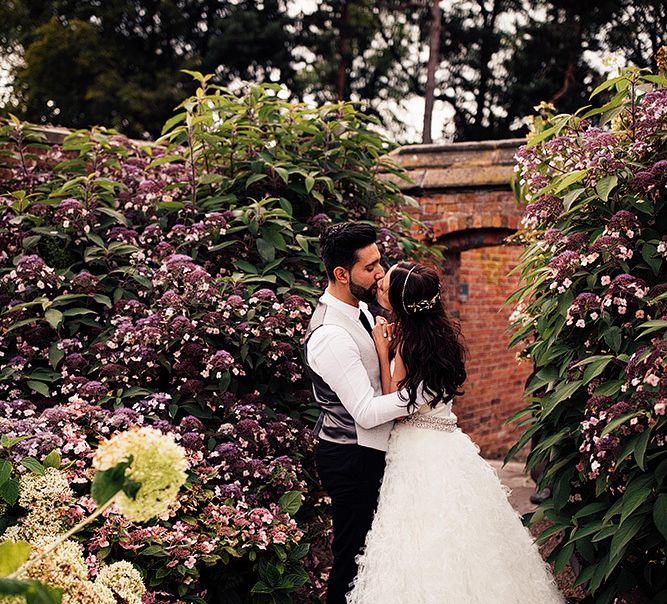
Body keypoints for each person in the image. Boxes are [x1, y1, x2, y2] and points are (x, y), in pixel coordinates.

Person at [347, 261, 565, 604]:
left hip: (417, 448)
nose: (378, 287)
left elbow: (394, 401)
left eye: (385, 287)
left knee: (419, 534)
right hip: (450, 443)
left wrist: (381, 349)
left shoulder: (404, 346)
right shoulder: (442, 337)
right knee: (466, 530)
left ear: (403, 304)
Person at [304, 223, 427, 604]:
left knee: (377, 557)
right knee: (353, 560)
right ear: (341, 275)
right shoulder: (330, 336)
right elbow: (366, 411)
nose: (380, 273)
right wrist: (422, 397)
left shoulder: (364, 314)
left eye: (380, 262)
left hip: (370, 452)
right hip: (350, 457)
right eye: (370, 267)